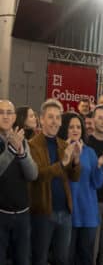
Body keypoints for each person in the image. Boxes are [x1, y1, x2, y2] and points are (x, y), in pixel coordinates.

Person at [29, 99, 80, 265]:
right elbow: (38, 176)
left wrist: (75, 161)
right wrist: (63, 163)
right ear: (41, 119)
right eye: (50, 117)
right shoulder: (32, 145)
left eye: (58, 118)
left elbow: (74, 177)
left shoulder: (63, 144)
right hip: (43, 212)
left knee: (62, 259)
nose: (55, 122)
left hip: (65, 212)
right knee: (40, 258)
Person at [60, 113, 103, 265]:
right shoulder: (60, 150)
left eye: (78, 127)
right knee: (66, 258)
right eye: (71, 127)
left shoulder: (90, 152)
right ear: (65, 128)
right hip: (67, 214)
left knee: (86, 258)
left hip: (88, 214)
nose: (75, 130)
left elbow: (97, 183)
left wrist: (99, 166)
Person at [0, 99, 37, 265]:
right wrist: (11, 151)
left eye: (9, 113)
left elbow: (33, 174)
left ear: (15, 117)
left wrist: (22, 153)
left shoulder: (21, 140)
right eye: (1, 112)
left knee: (22, 260)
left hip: (22, 214)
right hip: (1, 214)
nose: (5, 116)